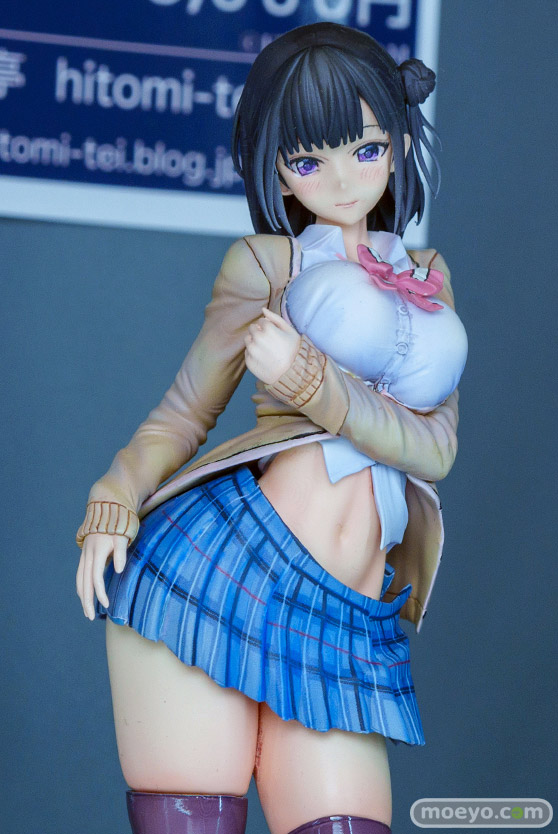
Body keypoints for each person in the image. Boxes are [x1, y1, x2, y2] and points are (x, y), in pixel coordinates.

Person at [76, 22, 467, 834]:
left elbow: (435, 449)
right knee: (194, 815)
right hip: (225, 569)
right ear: (279, 169)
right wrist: (113, 495)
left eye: (365, 149)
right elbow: (185, 411)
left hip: (343, 612)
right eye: (308, 160)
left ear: (398, 145)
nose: (342, 179)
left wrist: (311, 384)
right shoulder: (266, 266)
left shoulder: (426, 279)